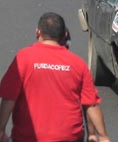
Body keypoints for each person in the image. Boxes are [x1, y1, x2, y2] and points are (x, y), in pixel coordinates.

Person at [0, 12, 111, 142]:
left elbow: (9, 98)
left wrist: (1, 130)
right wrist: (102, 136)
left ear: (38, 32)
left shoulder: (23, 58)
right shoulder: (77, 64)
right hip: (69, 137)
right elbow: (91, 104)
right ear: (64, 35)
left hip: (27, 137)